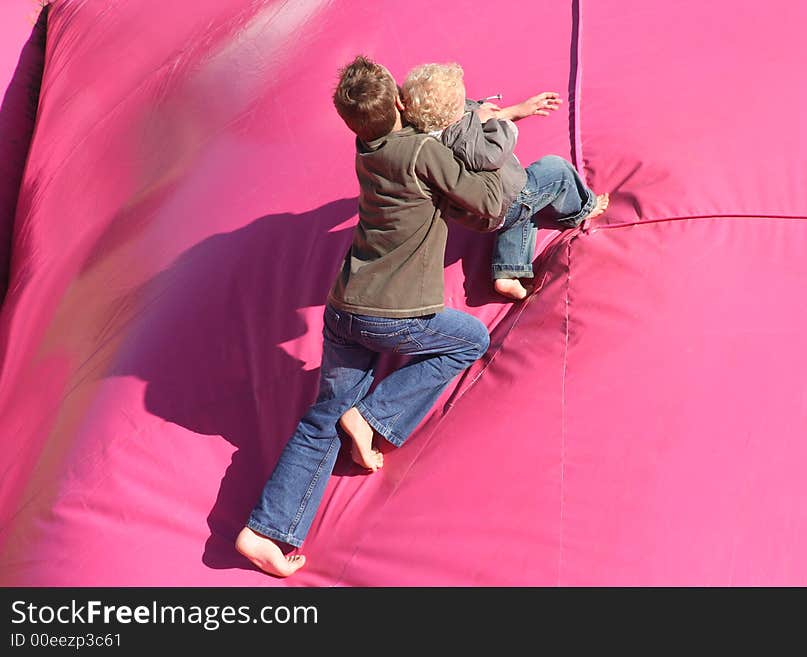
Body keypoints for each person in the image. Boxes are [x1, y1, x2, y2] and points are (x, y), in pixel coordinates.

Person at [235, 56, 506, 577]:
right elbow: (489, 204)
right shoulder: (423, 151)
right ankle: (374, 416)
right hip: (394, 314)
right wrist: (491, 132)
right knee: (468, 338)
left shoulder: (367, 148)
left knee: (320, 420)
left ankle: (262, 531)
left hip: (344, 308)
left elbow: (393, 134)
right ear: (402, 103)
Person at [401, 62, 609, 300]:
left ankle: (508, 273)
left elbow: (464, 118)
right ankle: (582, 208)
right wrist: (502, 124)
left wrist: (500, 112)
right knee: (556, 170)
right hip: (506, 196)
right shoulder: (464, 140)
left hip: (476, 212)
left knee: (521, 213)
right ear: (454, 114)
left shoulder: (424, 136)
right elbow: (491, 152)